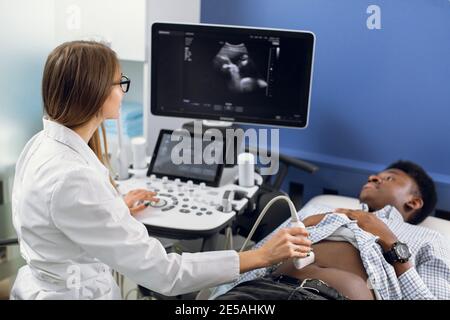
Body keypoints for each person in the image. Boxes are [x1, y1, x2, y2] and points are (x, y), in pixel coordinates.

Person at [10, 41, 311, 300]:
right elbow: (165, 274)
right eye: (120, 82)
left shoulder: (40, 144)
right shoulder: (75, 177)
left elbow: (64, 219)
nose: (123, 90)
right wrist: (261, 256)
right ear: (98, 93)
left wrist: (114, 209)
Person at [214, 161, 450, 300]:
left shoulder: (429, 238)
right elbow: (257, 258)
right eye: (375, 175)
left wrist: (391, 243)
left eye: (389, 177)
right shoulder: (318, 211)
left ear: (414, 202)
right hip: (258, 292)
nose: (373, 177)